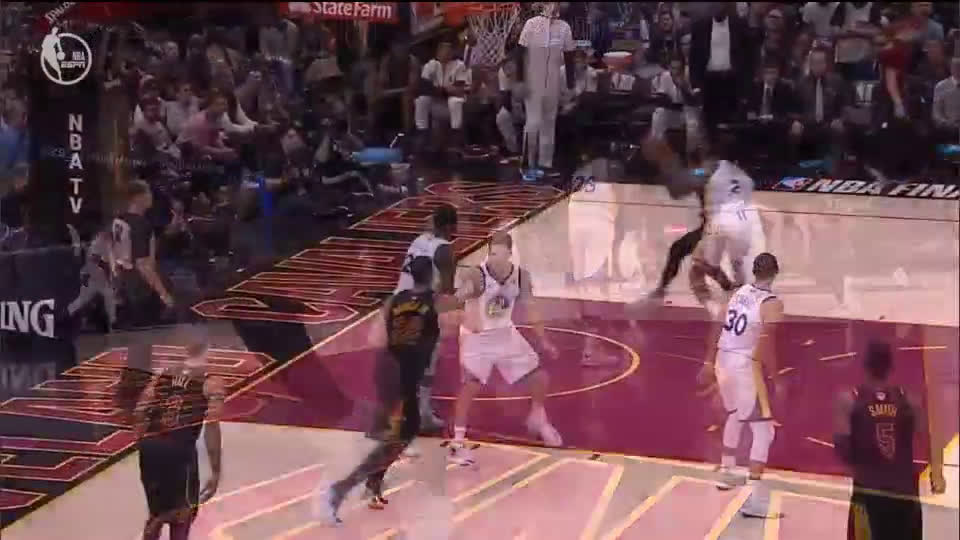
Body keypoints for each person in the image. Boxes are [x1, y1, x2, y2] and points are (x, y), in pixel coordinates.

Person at [315, 256, 454, 525]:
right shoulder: (435, 303)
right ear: (433, 276)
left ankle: (370, 483)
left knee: (398, 434)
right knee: (397, 437)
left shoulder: (395, 300)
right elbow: (459, 322)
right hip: (404, 375)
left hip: (387, 370)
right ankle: (338, 491)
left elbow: (375, 339)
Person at [449, 233, 561, 466]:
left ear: (510, 254)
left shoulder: (521, 276)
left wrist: (544, 340)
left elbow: (531, 309)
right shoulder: (476, 275)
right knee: (470, 386)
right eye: (491, 253)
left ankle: (538, 417)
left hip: (505, 333)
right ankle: (457, 443)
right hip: (476, 339)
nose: (494, 259)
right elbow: (458, 299)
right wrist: (465, 313)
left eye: (499, 254)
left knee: (540, 377)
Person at [699, 253, 784, 518]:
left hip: (723, 360)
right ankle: (754, 500)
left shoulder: (738, 293)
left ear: (754, 271)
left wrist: (708, 360)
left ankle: (727, 471)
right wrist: (777, 378)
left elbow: (718, 323)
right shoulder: (772, 304)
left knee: (735, 414)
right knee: (764, 431)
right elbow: (767, 347)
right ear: (775, 273)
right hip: (744, 365)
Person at [833, 341, 947, 540]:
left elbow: (841, 447)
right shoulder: (909, 399)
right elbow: (932, 437)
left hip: (869, 493)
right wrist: (937, 474)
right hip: (904, 494)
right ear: (891, 366)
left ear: (865, 365)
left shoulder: (849, 400)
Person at [132, 329, 223, 540]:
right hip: (179, 451)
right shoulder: (211, 381)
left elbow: (140, 411)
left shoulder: (164, 374)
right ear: (209, 349)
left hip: (151, 447)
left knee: (156, 514)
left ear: (185, 349)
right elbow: (212, 425)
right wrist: (216, 470)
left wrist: (143, 443)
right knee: (183, 515)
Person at [392, 205, 458, 433]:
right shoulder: (445, 250)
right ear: (450, 226)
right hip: (420, 309)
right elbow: (447, 292)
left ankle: (406, 412)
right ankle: (423, 414)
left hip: (398, 304)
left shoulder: (419, 239)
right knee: (427, 365)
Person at [517, 2, 576, 177]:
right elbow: (521, 54)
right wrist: (520, 81)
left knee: (549, 122)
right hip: (533, 78)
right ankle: (528, 164)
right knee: (533, 122)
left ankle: (545, 164)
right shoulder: (531, 24)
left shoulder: (564, 27)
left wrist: (570, 84)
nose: (555, 5)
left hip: (553, 79)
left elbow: (570, 57)